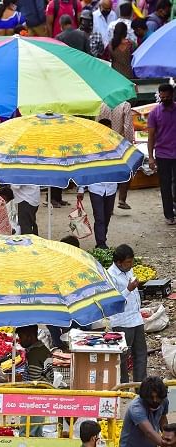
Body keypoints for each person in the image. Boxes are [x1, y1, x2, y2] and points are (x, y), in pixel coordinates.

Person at [107, 244, 147, 384]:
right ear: (118, 262)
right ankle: (123, 386)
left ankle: (140, 386)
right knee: (123, 357)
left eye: (131, 262)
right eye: (128, 262)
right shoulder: (110, 275)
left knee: (141, 354)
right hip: (122, 322)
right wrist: (128, 289)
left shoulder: (129, 270)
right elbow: (112, 301)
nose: (131, 265)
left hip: (136, 318)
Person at [16, 325, 53, 437]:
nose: (20, 340)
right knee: (36, 432)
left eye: (21, 337)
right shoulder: (43, 348)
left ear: (30, 337)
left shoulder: (34, 354)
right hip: (43, 396)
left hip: (35, 399)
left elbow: (35, 382)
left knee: (27, 433)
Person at [147, 84, 176, 225]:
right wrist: (151, 157)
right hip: (163, 154)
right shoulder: (154, 113)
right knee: (165, 186)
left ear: (172, 95)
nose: (164, 99)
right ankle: (169, 215)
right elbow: (151, 136)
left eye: (167, 97)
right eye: (162, 97)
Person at [99, 102, 135, 209]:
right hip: (119, 144)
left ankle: (107, 204)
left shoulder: (101, 105)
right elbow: (127, 126)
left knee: (107, 174)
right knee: (125, 171)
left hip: (103, 144)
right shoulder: (125, 105)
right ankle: (121, 199)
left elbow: (97, 124)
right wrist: (129, 145)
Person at [119, 376, 169, 447]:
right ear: (144, 397)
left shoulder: (164, 400)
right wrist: (167, 444)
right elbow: (148, 432)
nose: (155, 400)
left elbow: (163, 418)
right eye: (151, 398)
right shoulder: (136, 407)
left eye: (157, 397)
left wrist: (167, 436)